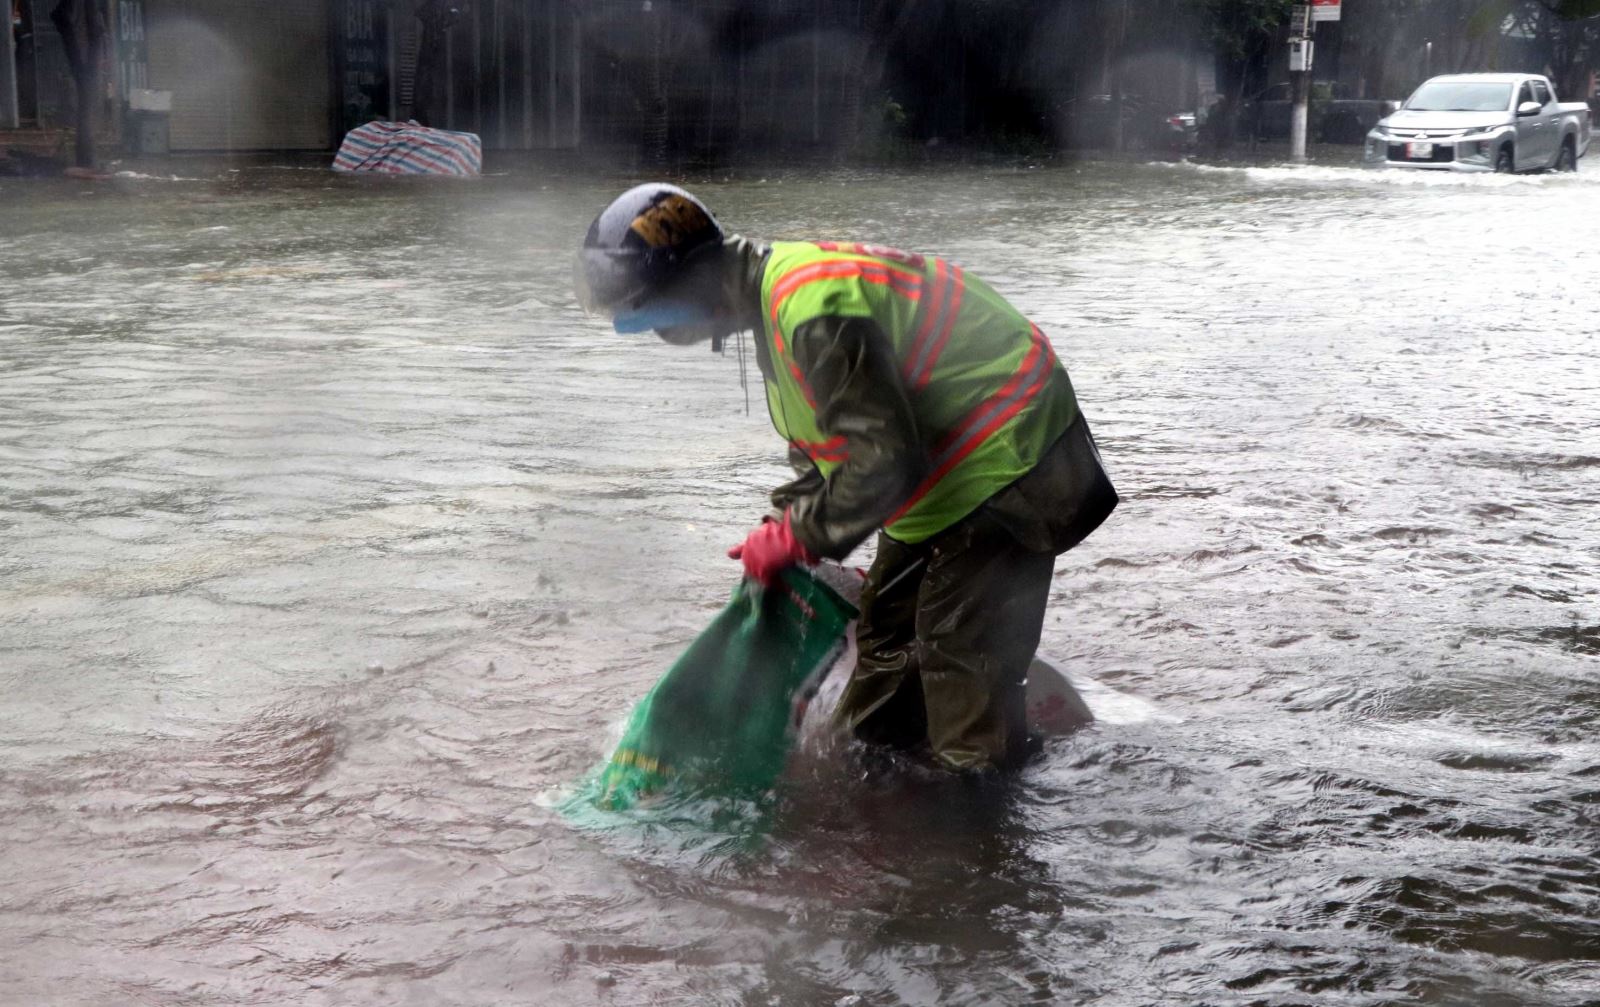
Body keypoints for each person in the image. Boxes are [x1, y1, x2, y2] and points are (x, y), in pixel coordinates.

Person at [574, 183, 1117, 773]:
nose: (660, 334)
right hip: (941, 464)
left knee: (958, 655)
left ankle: (975, 826)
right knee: (884, 641)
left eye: (657, 316)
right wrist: (783, 523)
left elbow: (884, 464)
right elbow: (827, 444)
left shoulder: (812, 311)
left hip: (1008, 455)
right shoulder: (772, 309)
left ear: (697, 283)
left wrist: (797, 537)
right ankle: (888, 778)